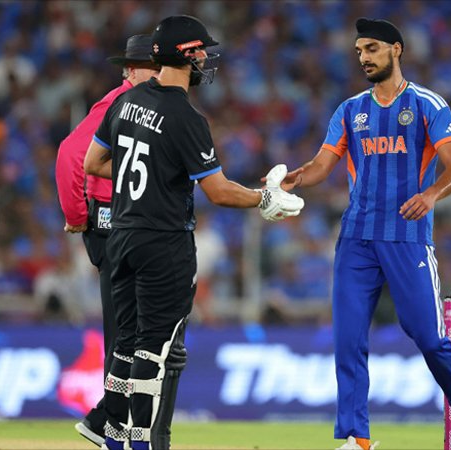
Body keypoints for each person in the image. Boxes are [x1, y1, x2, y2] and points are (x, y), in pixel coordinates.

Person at [275, 18, 451, 450]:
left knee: (428, 336)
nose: (364, 57)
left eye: (372, 48)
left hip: (407, 236)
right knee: (348, 341)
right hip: (356, 238)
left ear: (396, 49)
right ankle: (357, 439)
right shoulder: (350, 110)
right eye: (360, 50)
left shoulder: (427, 104)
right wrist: (297, 178)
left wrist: (431, 194)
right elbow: (322, 165)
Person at [83, 15, 303, 450]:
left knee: (124, 344)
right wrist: (264, 199)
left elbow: (93, 163)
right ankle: (142, 444)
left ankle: (114, 439)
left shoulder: (125, 102)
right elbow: (219, 192)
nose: (205, 58)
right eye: (200, 50)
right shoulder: (186, 117)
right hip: (163, 242)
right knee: (153, 351)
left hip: (121, 237)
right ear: (183, 54)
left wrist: (154, 176)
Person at [55, 34, 160, 447]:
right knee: (125, 333)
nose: (160, 75)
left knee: (131, 331)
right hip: (112, 223)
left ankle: (110, 421)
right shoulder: (119, 102)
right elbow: (70, 154)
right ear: (131, 70)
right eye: (153, 68)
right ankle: (112, 426)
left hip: (126, 223)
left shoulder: (140, 105)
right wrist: (77, 217)